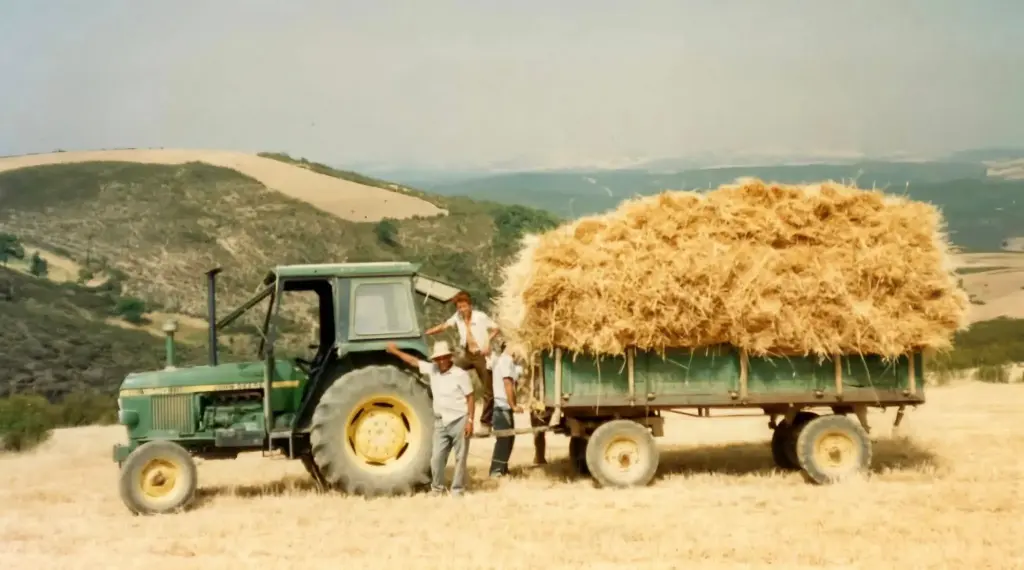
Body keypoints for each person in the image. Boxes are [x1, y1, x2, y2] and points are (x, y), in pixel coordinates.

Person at [386, 340, 475, 497]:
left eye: (443, 357)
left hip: (459, 419)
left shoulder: (460, 375)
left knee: (460, 458)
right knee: (436, 458)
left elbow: (470, 397)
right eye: (438, 358)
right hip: (441, 421)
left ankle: (457, 490)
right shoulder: (433, 370)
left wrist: (470, 421)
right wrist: (395, 352)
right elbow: (414, 361)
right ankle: (437, 489)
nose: (441, 361)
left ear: (449, 357)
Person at [424, 291, 499, 435]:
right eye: (459, 307)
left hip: (481, 355)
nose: (462, 310)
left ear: (470, 306)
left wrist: (487, 342)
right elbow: (444, 326)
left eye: (464, 307)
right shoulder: (457, 317)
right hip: (467, 354)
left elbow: (496, 328)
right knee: (448, 369)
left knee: (488, 390)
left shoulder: (480, 316)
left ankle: (485, 423)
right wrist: (428, 332)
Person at [488, 341, 521, 477]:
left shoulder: (507, 361)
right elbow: (507, 384)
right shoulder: (506, 361)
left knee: (508, 439)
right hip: (502, 408)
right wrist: (513, 405)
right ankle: (496, 471)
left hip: (504, 407)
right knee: (503, 441)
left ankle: (502, 469)